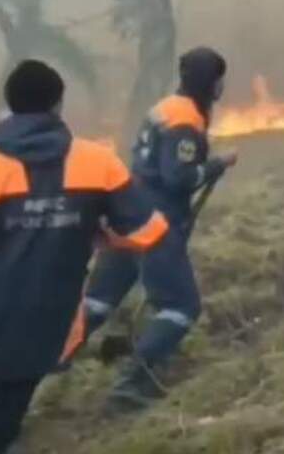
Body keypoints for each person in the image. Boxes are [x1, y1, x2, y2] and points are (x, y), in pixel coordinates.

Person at [0, 60, 168, 454]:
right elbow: (149, 231)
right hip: (49, 327)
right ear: (60, 105)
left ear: (8, 107)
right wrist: (102, 236)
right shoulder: (99, 162)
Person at [81, 47, 236, 413]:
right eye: (220, 79)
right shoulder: (185, 122)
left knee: (98, 302)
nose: (222, 86)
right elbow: (178, 178)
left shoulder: (164, 108)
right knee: (181, 306)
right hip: (156, 223)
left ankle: (40, 366)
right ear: (209, 82)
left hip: (128, 215)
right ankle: (132, 382)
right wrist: (216, 165)